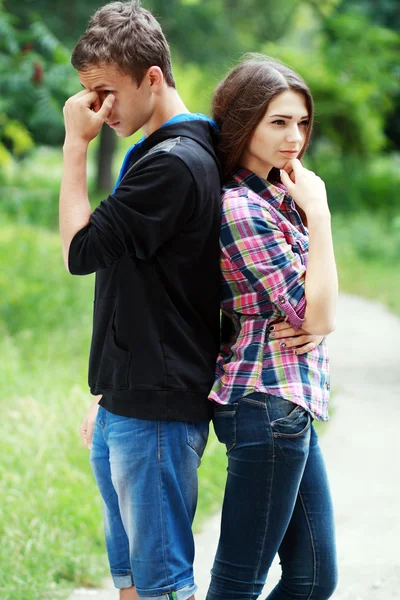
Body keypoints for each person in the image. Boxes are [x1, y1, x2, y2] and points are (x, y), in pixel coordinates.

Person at [59, 2, 222, 599]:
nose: (97, 109)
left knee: (161, 585)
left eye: (106, 92)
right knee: (131, 580)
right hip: (129, 400)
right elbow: (148, 289)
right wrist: (109, 390)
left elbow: (80, 252)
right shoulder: (165, 152)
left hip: (155, 409)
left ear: (152, 77)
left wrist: (76, 146)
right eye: (87, 95)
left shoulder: (174, 165)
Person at [206, 54, 339, 600]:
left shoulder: (278, 197)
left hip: (288, 407)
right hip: (265, 403)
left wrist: (308, 212)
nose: (295, 138)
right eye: (279, 122)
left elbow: (318, 307)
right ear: (244, 122)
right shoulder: (240, 208)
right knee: (239, 585)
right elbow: (320, 314)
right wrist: (322, 214)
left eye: (302, 123)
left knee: (312, 580)